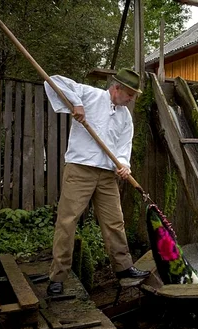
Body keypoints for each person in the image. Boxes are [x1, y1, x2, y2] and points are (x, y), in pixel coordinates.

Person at [45, 68, 150, 296]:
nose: (131, 99)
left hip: (107, 175)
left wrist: (124, 165)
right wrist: (76, 104)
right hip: (80, 169)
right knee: (67, 221)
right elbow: (55, 80)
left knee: (115, 221)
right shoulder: (89, 95)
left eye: (133, 95)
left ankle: (123, 269)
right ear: (116, 87)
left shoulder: (125, 116)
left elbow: (124, 147)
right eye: (129, 93)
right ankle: (57, 277)